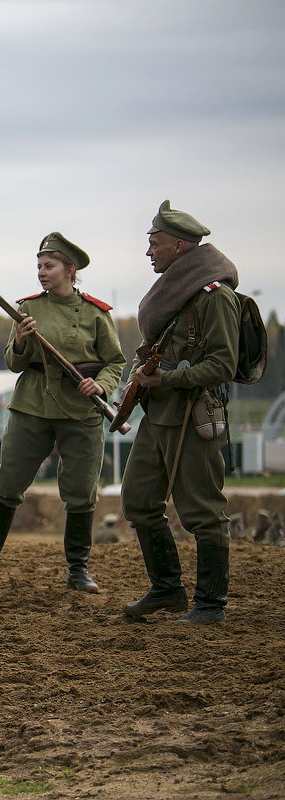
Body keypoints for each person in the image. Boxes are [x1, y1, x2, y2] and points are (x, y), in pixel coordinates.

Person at [0, 233, 125, 593]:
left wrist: (101, 387)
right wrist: (19, 339)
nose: (42, 273)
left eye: (49, 266)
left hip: (81, 410)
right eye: (39, 266)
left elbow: (115, 362)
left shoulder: (97, 313)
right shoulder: (26, 308)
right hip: (32, 404)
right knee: (7, 483)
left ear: (70, 270)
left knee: (81, 490)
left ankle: (78, 570)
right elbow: (12, 362)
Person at [121, 200, 241, 624]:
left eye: (154, 244)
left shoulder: (215, 297)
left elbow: (224, 364)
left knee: (203, 512)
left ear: (179, 246)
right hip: (158, 416)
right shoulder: (172, 296)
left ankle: (210, 605)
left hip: (194, 417)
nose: (149, 252)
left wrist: (167, 380)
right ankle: (168, 589)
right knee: (137, 500)